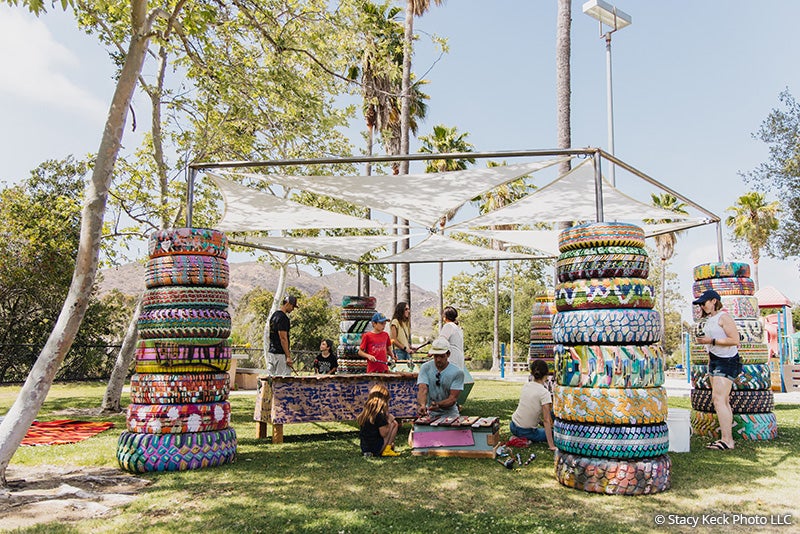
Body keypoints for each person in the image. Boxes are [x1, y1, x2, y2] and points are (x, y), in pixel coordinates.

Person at [693, 289, 741, 450]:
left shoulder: (724, 317)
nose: (702, 306)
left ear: (714, 301)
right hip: (714, 360)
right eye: (700, 304)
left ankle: (727, 440)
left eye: (704, 303)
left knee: (719, 400)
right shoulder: (710, 320)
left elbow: (735, 340)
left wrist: (711, 341)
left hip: (727, 361)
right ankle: (726, 439)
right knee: (721, 400)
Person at [510, 359, 556, 451]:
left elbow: (529, 409)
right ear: (547, 375)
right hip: (525, 431)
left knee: (550, 416)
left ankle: (519, 437)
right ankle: (523, 439)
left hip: (513, 425)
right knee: (553, 433)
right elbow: (546, 420)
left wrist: (541, 423)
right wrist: (551, 445)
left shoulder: (526, 386)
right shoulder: (544, 393)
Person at [416, 337, 464, 419]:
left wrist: (438, 405)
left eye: (441, 356)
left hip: (450, 414)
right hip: (430, 413)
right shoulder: (425, 367)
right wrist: (422, 405)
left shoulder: (457, 372)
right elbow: (422, 389)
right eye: (436, 356)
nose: (438, 359)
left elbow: (452, 399)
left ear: (448, 354)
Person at [357, 383, 400, 457]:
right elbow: (384, 433)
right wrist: (389, 421)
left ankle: (373, 451)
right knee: (395, 424)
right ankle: (387, 449)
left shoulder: (367, 412)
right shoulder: (380, 414)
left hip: (365, 448)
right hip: (376, 448)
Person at [267, 295, 297, 376]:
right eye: (292, 306)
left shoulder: (274, 315)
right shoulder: (283, 318)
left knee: (271, 378)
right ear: (288, 304)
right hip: (280, 354)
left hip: (271, 353)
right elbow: (283, 338)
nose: (293, 309)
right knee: (282, 379)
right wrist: (288, 356)